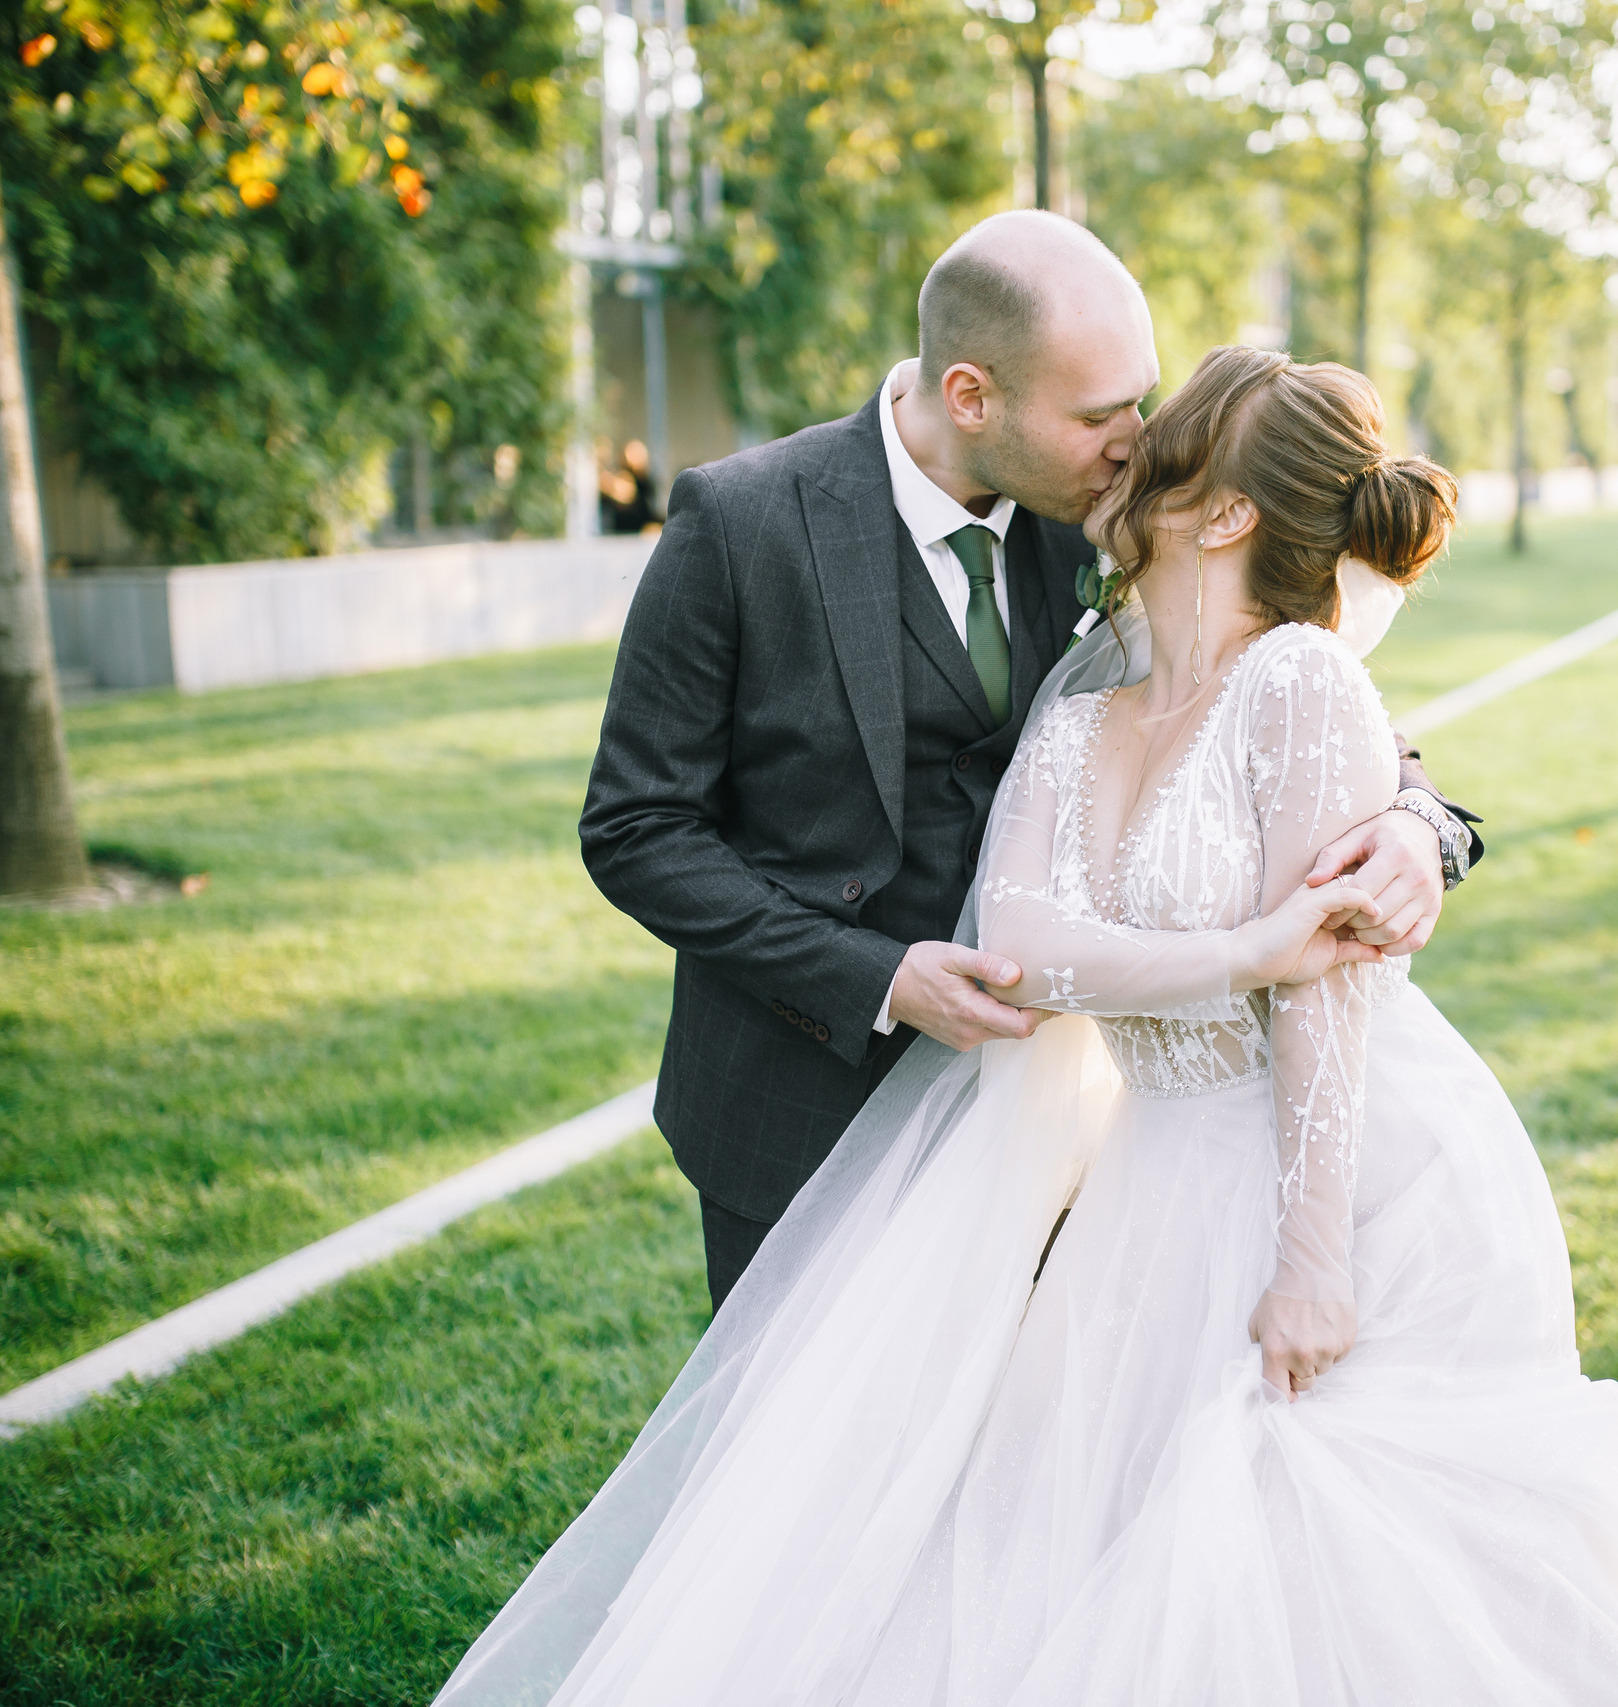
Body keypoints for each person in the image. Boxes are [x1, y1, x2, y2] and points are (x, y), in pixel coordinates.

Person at [436, 346, 1618, 1705]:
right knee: (1072, 1529)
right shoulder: (1087, 686)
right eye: (1119, 423)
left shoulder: (1302, 681)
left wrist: (1316, 1242)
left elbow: (1322, 993)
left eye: (1159, 431)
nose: (1128, 445)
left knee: (1319, 1548)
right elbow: (1028, 940)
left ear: (1224, 510)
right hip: (1132, 1163)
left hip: (1334, 1169)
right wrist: (1244, 948)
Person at [577, 211, 1479, 1309]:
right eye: (1102, 414)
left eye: (1140, 400)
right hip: (795, 1102)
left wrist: (1420, 826)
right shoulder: (742, 522)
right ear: (971, 395)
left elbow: (1281, 690)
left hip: (1056, 1117)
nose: (1136, 440)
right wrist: (876, 978)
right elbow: (636, 828)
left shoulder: (1109, 518)